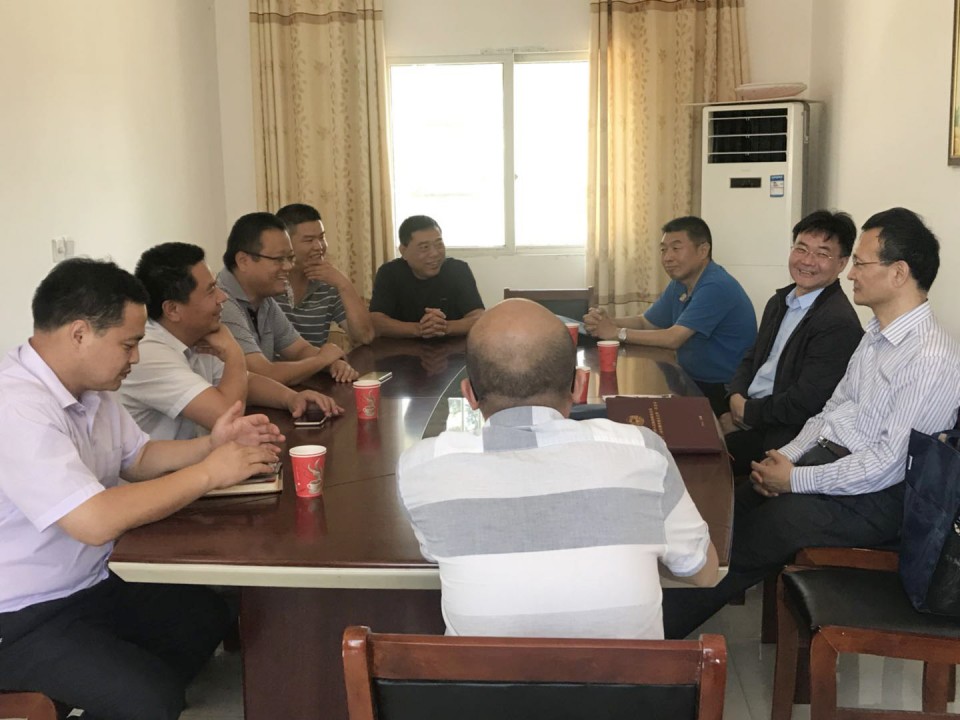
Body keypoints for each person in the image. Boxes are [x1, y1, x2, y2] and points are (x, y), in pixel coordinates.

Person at [0, 258, 281, 720]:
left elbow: (139, 457)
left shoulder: (91, 387)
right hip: (22, 615)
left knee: (205, 616)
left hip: (92, 582)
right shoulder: (16, 407)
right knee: (149, 699)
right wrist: (209, 473)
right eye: (128, 344)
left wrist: (212, 445)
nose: (135, 358)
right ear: (79, 334)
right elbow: (93, 521)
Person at [662, 207, 960, 639]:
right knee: (732, 507)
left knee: (764, 530)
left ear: (898, 273)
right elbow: (830, 412)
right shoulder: (876, 335)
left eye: (859, 263)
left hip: (880, 497)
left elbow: (889, 464)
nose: (851, 273)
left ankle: (650, 638)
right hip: (833, 465)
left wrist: (795, 480)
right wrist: (785, 458)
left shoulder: (929, 357)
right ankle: (655, 601)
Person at [398, 298, 718, 639]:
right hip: (625, 676)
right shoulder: (642, 450)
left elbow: (436, 553)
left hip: (485, 676)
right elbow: (704, 572)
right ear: (579, 386)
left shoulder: (423, 466)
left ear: (469, 395)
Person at [120, 242, 342, 440]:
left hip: (198, 462)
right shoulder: (148, 352)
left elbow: (244, 381)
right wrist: (234, 351)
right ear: (173, 309)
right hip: (164, 472)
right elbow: (226, 416)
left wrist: (291, 398)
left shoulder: (195, 335)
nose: (222, 297)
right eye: (211, 291)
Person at [721, 211, 864, 475]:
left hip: (781, 436)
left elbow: (806, 402)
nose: (807, 261)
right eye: (801, 248)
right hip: (752, 410)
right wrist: (736, 397)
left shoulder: (838, 323)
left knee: (699, 461)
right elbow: (753, 357)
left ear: (842, 263)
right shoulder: (780, 302)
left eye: (822, 254)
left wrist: (747, 413)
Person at [583, 216, 757, 415]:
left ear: (703, 251)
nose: (667, 257)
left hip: (723, 390)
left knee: (640, 413)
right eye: (663, 250)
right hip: (689, 378)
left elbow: (673, 338)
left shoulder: (716, 285)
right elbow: (646, 322)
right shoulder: (680, 283)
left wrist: (616, 333)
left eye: (676, 248)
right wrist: (606, 322)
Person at [217, 212, 359, 385]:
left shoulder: (264, 298)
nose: (288, 266)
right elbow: (263, 374)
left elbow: (299, 349)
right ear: (243, 261)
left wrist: (333, 364)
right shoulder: (221, 303)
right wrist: (322, 360)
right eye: (278, 259)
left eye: (290, 258)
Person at [274, 203, 375, 347]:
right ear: (285, 243)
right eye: (309, 240)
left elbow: (365, 336)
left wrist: (344, 284)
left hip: (318, 361)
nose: (319, 246)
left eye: (322, 237)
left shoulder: (329, 283)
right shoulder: (269, 283)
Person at [369, 215, 484, 338]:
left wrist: (445, 327)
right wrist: (418, 329)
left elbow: (479, 317)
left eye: (439, 244)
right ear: (403, 251)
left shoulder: (458, 270)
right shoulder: (389, 273)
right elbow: (376, 321)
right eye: (424, 247)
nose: (434, 253)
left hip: (454, 346)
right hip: (403, 346)